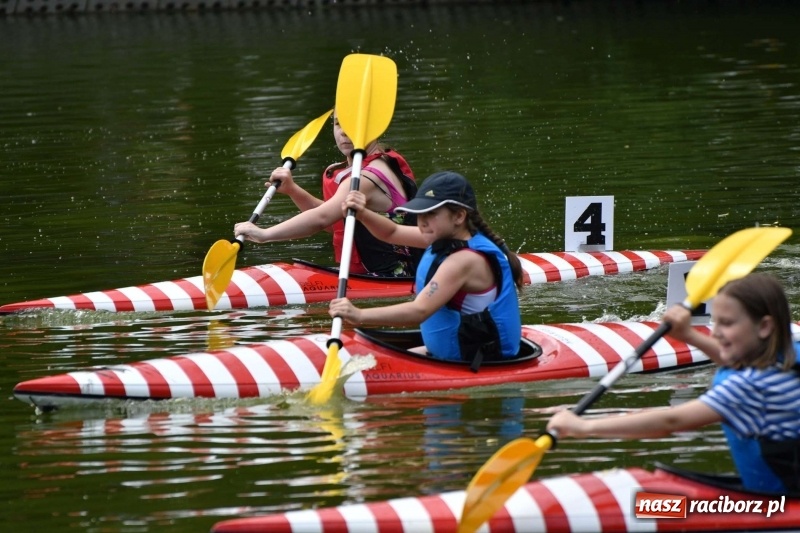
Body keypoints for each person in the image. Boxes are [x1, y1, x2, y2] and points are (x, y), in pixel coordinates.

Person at [546, 273, 800, 493]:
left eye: (727, 323)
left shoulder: (748, 388)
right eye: (715, 321)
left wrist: (582, 427)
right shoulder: (788, 353)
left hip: (777, 504)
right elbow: (731, 359)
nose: (715, 332)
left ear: (765, 326)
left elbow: (671, 422)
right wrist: (688, 335)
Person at [328, 171, 524, 368]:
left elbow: (419, 311)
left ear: (458, 216)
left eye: (431, 213)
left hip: (476, 360)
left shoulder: (463, 261)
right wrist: (362, 213)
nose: (422, 221)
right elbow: (391, 232)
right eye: (420, 213)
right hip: (453, 353)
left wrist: (359, 315)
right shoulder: (444, 236)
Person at [233, 111, 419, 277]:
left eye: (353, 124)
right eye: (338, 124)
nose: (343, 132)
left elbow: (321, 218)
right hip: (367, 274)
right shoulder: (354, 170)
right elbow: (333, 222)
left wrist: (264, 234)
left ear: (374, 128)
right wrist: (293, 190)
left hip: (395, 277)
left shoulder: (366, 178)